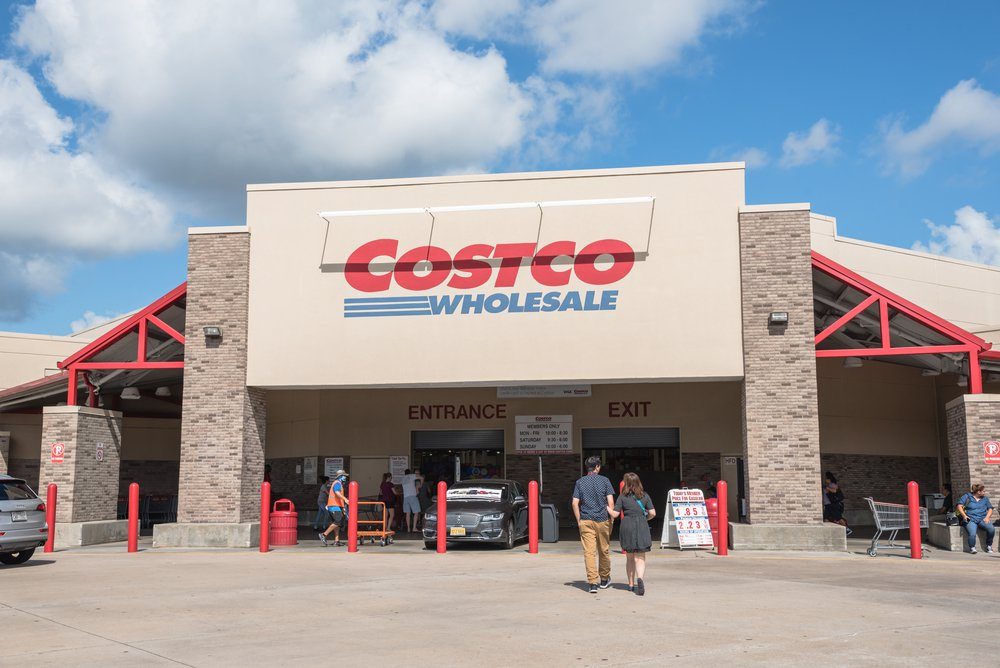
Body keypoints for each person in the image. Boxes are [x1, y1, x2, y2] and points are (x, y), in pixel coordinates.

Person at [572, 455, 615, 594]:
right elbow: (611, 502)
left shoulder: (580, 482)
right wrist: (612, 519)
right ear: (597, 467)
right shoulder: (605, 481)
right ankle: (604, 579)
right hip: (602, 519)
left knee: (589, 552)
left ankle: (592, 583)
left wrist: (579, 520)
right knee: (604, 550)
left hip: (586, 519)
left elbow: (575, 503)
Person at [608, 472, 656, 596]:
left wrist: (605, 507)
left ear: (626, 483)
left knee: (629, 558)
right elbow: (653, 513)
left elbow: (615, 514)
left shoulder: (622, 497)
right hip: (641, 524)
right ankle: (639, 579)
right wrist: (645, 519)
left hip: (627, 525)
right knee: (640, 557)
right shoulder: (645, 495)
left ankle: (630, 584)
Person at [956, 483, 995, 554]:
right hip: (970, 519)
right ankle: (972, 547)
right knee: (972, 533)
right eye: (983, 491)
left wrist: (987, 517)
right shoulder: (967, 496)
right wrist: (964, 516)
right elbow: (959, 506)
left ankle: (989, 545)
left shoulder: (985, 499)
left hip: (982, 518)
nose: (984, 492)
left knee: (991, 529)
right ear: (978, 492)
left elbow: (990, 508)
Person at [318, 470, 350, 547]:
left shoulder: (338, 483)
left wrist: (343, 507)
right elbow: (336, 492)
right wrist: (345, 499)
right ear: (340, 476)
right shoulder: (337, 483)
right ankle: (324, 534)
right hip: (334, 506)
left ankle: (336, 540)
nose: (345, 477)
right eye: (344, 476)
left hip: (335, 506)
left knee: (337, 524)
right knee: (338, 521)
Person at [823, 472, 852, 536]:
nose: (825, 479)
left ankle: (847, 529)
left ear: (829, 479)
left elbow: (835, 491)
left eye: (826, 478)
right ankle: (828, 532)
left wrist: (827, 488)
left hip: (833, 505)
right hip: (828, 505)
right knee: (826, 518)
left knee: (838, 517)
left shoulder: (831, 484)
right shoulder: (827, 485)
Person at [401, 469, 422, 533]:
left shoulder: (403, 479)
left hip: (405, 497)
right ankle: (414, 528)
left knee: (408, 513)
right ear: (410, 473)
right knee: (416, 512)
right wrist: (420, 485)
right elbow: (421, 477)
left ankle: (408, 528)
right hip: (412, 496)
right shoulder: (412, 476)